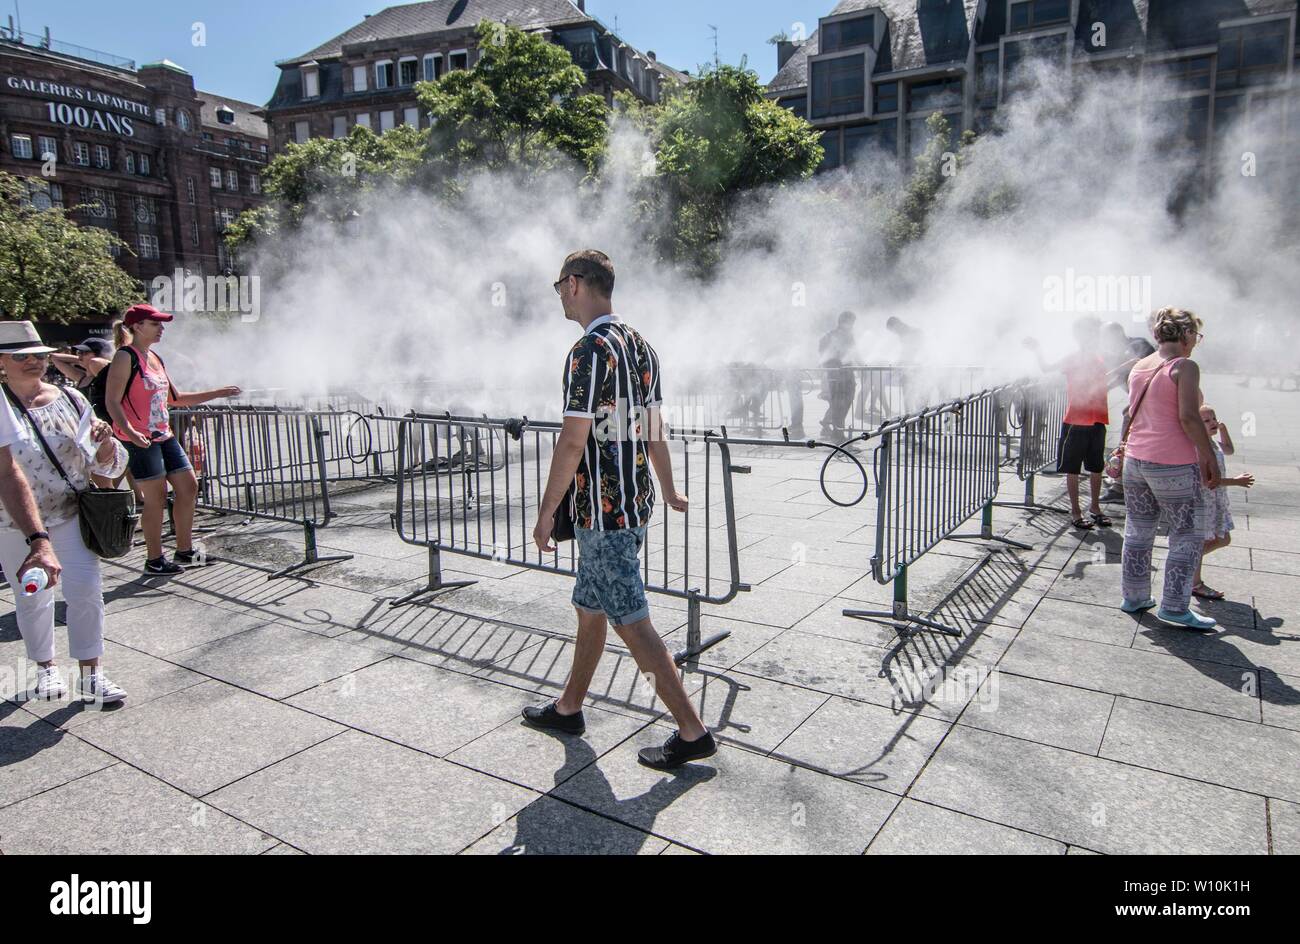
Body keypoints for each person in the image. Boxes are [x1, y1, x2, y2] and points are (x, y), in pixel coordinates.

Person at [526, 250, 716, 771]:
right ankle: (569, 708)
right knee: (591, 607)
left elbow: (571, 441)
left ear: (577, 285)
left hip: (602, 513)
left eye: (560, 284)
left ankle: (691, 730)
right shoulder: (641, 346)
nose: (559, 295)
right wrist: (669, 488)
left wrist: (546, 514)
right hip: (632, 505)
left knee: (631, 621)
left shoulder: (588, 351)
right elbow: (655, 428)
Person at [0, 321, 126, 703]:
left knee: (86, 591)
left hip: (71, 512)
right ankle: (46, 670)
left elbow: (106, 466)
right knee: (32, 594)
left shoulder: (70, 399)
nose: (33, 363)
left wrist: (106, 445)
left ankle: (92, 675)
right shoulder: (1, 405)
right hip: (14, 522)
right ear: (2, 361)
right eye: (22, 357)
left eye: (38, 355)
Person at [104, 304, 241, 575]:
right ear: (137, 326)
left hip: (163, 434)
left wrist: (217, 393)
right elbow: (112, 401)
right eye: (155, 324)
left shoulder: (155, 357)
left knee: (189, 487)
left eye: (161, 324)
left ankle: (184, 550)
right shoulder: (125, 356)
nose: (161, 329)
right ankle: (154, 559)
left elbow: (174, 399)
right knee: (155, 498)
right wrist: (131, 432)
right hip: (141, 438)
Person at [1119, 307, 1220, 630]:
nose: (1196, 342)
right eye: (1196, 335)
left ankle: (1134, 596)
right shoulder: (1184, 367)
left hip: (1136, 460)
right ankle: (1175, 607)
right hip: (1172, 463)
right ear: (1186, 334)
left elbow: (1129, 411)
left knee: (1138, 529)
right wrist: (1208, 456)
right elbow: (1189, 417)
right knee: (1187, 534)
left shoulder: (1140, 366)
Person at [1024, 317, 1111, 530]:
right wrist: (1037, 350)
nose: (1094, 337)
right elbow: (1046, 368)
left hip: (1098, 418)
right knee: (1072, 468)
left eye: (1095, 332)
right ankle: (1075, 511)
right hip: (1076, 419)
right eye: (1090, 332)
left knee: (1097, 467)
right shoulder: (1073, 358)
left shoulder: (1099, 358)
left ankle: (1095, 507)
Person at [1192, 404, 1254, 601]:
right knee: (1212, 539)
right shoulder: (1201, 447)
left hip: (1216, 501)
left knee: (1223, 538)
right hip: (1205, 502)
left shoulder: (1213, 443)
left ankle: (1188, 565)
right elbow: (1206, 480)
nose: (1212, 423)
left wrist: (1224, 430)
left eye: (1213, 418)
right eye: (1206, 421)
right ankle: (1194, 581)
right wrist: (1236, 481)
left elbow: (1229, 449)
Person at [818, 310, 858, 437]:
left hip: (847, 374)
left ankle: (837, 431)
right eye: (851, 322)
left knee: (844, 403)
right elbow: (823, 354)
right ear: (843, 321)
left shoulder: (848, 335)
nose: (852, 325)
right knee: (838, 404)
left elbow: (854, 352)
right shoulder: (830, 336)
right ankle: (837, 433)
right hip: (837, 375)